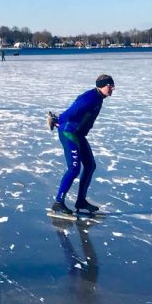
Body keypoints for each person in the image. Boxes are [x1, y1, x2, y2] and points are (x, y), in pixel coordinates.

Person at [49, 73, 115, 215]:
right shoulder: (89, 98)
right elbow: (70, 113)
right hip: (69, 133)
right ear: (102, 86)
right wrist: (57, 120)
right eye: (110, 86)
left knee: (90, 165)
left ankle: (81, 201)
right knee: (74, 168)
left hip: (78, 134)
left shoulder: (98, 97)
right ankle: (58, 202)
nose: (113, 88)